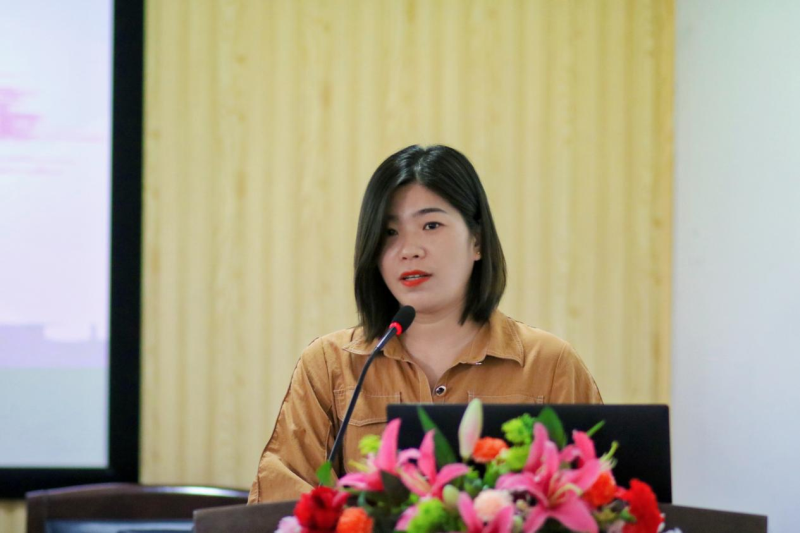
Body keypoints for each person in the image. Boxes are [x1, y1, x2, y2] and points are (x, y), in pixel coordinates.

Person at [248, 145, 602, 504]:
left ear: (477, 241)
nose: (409, 249)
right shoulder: (330, 365)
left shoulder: (549, 365)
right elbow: (280, 502)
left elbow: (600, 503)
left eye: (431, 225)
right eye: (389, 232)